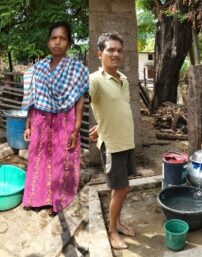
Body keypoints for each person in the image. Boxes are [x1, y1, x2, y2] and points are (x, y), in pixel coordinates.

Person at [21, 21, 89, 214]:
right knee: (38, 157)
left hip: (65, 121)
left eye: (62, 38)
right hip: (40, 120)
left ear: (68, 43)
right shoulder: (37, 69)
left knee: (62, 159)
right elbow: (31, 98)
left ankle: (58, 201)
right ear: (48, 42)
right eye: (54, 38)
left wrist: (76, 130)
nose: (57, 42)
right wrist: (28, 125)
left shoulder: (77, 69)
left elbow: (80, 101)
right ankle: (37, 198)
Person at [89, 32, 136, 249]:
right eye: (110, 50)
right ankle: (112, 231)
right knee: (121, 189)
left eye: (119, 50)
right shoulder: (95, 80)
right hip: (113, 146)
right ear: (100, 54)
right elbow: (80, 101)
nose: (116, 54)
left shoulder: (123, 80)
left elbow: (113, 109)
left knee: (120, 188)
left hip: (127, 142)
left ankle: (117, 222)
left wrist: (100, 125)